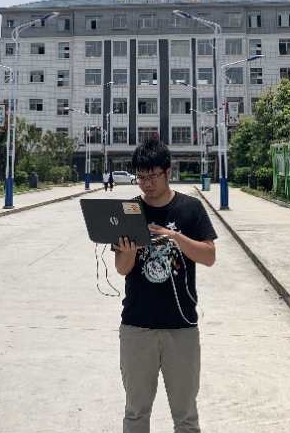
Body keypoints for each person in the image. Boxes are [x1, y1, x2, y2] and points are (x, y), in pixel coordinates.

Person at [114, 138, 217, 433]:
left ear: (168, 172)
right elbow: (122, 268)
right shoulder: (129, 210)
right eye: (141, 177)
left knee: (186, 416)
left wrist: (174, 237)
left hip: (181, 328)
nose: (146, 184)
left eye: (153, 176)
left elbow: (209, 256)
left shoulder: (191, 208)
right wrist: (130, 249)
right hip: (137, 326)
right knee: (136, 412)